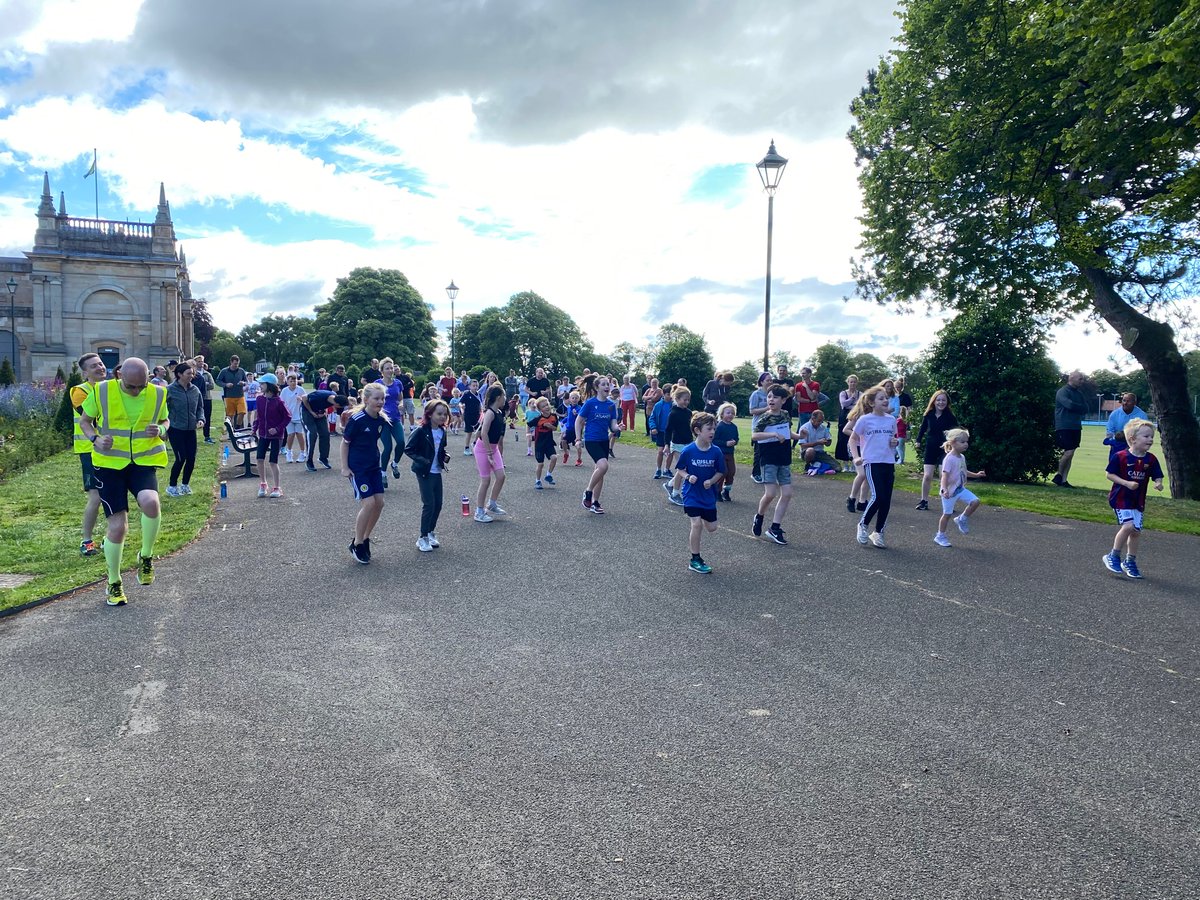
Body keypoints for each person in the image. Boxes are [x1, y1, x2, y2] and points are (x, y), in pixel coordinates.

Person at [78, 358, 169, 606]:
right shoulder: (103, 390)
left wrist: (160, 431)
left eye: (142, 385)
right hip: (109, 465)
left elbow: (164, 420)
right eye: (131, 386)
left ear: (149, 377)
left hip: (141, 460)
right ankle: (114, 582)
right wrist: (95, 439)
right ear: (120, 376)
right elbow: (85, 421)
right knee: (118, 528)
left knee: (151, 502)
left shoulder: (158, 393)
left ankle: (146, 556)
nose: (137, 390)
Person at [1102, 418, 1164, 579]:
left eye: (1151, 436)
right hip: (1121, 499)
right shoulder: (1120, 456)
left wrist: (1158, 483)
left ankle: (1130, 561)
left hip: (1137, 501)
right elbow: (1109, 474)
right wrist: (1126, 483)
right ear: (1132, 439)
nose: (1150, 439)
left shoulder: (1150, 459)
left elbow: (1157, 475)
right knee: (1128, 526)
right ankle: (1113, 555)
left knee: (1136, 532)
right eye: (1146, 436)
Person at [671, 412, 726, 574]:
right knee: (696, 524)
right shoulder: (688, 450)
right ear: (697, 430)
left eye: (714, 429)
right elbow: (680, 469)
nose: (712, 432)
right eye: (709, 429)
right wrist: (688, 476)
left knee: (712, 527)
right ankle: (695, 559)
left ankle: (702, 518)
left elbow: (720, 471)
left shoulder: (716, 452)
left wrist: (712, 481)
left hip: (708, 496)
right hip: (691, 494)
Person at [749, 384, 803, 545]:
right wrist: (772, 433)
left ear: (784, 400)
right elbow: (754, 436)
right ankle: (759, 516)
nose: (771, 400)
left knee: (787, 494)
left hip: (784, 458)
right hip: (769, 458)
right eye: (769, 396)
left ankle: (775, 528)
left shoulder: (786, 415)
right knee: (771, 493)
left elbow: (788, 433)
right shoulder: (765, 417)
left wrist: (800, 435)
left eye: (775, 397)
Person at [341, 383, 388, 564]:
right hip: (358, 468)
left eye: (382, 398)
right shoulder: (357, 419)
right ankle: (357, 543)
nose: (380, 402)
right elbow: (345, 443)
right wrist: (345, 467)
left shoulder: (381, 420)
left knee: (380, 503)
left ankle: (366, 538)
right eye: (376, 398)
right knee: (368, 503)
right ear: (366, 399)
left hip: (373, 467)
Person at [70, 352, 108, 556]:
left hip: (111, 449)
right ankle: (86, 540)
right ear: (85, 372)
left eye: (101, 364)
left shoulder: (110, 389)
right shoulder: (79, 391)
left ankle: (109, 537)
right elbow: (92, 419)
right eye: (94, 366)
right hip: (89, 449)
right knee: (96, 497)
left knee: (112, 494)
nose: (100, 368)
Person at [852, 386, 899, 548]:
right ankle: (863, 524)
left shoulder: (891, 420)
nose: (885, 400)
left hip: (888, 461)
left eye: (886, 398)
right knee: (878, 496)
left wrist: (895, 442)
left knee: (886, 500)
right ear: (871, 403)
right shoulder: (864, 420)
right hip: (871, 462)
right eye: (881, 398)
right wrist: (856, 457)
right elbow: (853, 439)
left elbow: (893, 440)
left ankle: (878, 533)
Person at [405, 399, 451, 553]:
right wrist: (424, 461)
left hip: (437, 471)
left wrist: (444, 456)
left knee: (438, 504)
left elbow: (441, 448)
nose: (442, 417)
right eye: (439, 414)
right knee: (429, 504)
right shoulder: (421, 431)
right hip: (424, 471)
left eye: (445, 414)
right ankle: (422, 537)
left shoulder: (442, 431)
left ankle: (431, 532)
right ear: (430, 414)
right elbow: (409, 449)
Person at [934, 429, 985, 548]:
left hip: (960, 489)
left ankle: (962, 519)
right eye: (962, 442)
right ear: (953, 442)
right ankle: (940, 536)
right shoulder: (949, 459)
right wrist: (944, 488)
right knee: (947, 514)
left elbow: (963, 471)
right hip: (949, 492)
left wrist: (976, 475)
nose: (966, 444)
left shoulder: (961, 457)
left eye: (966, 441)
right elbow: (944, 475)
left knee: (975, 501)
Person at [576, 376, 621, 514]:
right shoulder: (590, 403)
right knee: (603, 466)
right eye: (604, 384)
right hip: (591, 440)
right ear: (597, 388)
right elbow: (578, 421)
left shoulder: (611, 405)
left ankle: (595, 502)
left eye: (608, 384)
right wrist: (578, 439)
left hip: (603, 440)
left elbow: (612, 425)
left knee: (600, 471)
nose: (607, 386)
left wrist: (618, 427)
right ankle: (588, 492)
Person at [165, 362, 205, 498]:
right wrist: (164, 427)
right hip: (176, 429)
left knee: (191, 458)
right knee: (180, 458)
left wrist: (201, 419)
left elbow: (200, 407)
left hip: (190, 429)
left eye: (192, 373)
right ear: (179, 374)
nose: (191, 376)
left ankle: (185, 484)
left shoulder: (195, 390)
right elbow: (162, 409)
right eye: (188, 373)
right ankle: (172, 486)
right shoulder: (169, 390)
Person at [914, 390, 958, 510]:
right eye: (938, 400)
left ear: (947, 402)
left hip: (945, 449)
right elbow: (923, 428)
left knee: (943, 477)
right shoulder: (929, 414)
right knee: (927, 476)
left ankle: (947, 502)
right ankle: (924, 501)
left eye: (943, 400)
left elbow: (956, 431)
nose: (941, 402)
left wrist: (954, 442)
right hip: (930, 447)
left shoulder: (950, 416)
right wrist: (918, 440)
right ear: (934, 401)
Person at [472, 384, 509, 522]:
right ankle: (479, 512)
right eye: (504, 396)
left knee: (501, 476)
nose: (505, 399)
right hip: (483, 450)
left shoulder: (499, 412)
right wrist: (488, 453)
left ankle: (492, 504)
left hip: (494, 449)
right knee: (486, 480)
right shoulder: (490, 413)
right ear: (499, 397)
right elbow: (484, 432)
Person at [253, 374, 290, 499]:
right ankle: (263, 484)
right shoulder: (259, 399)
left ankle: (277, 487)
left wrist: (277, 429)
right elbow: (258, 416)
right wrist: (254, 429)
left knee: (273, 461)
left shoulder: (279, 402)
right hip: (263, 434)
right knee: (259, 459)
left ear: (269, 386)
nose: (260, 386)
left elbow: (287, 417)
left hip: (276, 436)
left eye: (262, 384)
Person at [1053, 370, 1090, 487]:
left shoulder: (1079, 394)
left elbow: (1086, 408)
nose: (1082, 381)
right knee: (1068, 452)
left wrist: (1077, 407)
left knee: (1071, 452)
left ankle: (1064, 480)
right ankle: (1059, 475)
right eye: (1080, 379)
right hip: (1064, 425)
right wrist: (1078, 407)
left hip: (1076, 426)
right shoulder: (1062, 392)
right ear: (1072, 378)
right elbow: (1069, 405)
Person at [375, 358, 407, 485]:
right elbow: (372, 398)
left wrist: (401, 404)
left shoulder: (398, 383)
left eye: (391, 368)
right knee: (387, 447)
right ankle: (383, 473)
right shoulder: (377, 383)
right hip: (382, 420)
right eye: (387, 368)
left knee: (401, 442)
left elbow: (401, 398)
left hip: (395, 418)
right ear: (382, 370)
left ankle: (394, 463)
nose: (390, 370)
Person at [299, 387, 346, 471]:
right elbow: (304, 398)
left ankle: (323, 458)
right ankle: (309, 460)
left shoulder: (335, 398)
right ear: (337, 404)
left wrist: (323, 413)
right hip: (306, 411)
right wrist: (311, 412)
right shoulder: (320, 396)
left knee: (325, 433)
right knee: (312, 433)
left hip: (319, 412)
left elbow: (325, 406)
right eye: (340, 407)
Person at [661, 387, 695, 495]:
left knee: (686, 468)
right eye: (684, 400)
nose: (686, 402)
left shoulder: (689, 413)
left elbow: (691, 428)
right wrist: (666, 445)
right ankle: (675, 493)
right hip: (677, 444)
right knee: (682, 468)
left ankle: (670, 485)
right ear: (677, 399)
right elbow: (668, 430)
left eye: (688, 400)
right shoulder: (673, 413)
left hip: (688, 443)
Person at [1104, 393, 1148, 460]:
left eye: (1128, 401)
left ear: (1134, 402)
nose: (1125, 403)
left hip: (1136, 450)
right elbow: (1109, 432)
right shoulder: (1114, 414)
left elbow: (1145, 433)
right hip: (1117, 450)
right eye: (1124, 400)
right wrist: (1116, 443)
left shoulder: (1142, 416)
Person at [532, 397, 560, 489]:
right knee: (540, 464)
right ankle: (537, 481)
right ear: (540, 410)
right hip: (539, 444)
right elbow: (529, 424)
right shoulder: (538, 418)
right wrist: (529, 433)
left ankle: (548, 475)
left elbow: (555, 428)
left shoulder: (554, 416)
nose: (547, 407)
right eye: (543, 406)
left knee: (554, 457)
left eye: (547, 404)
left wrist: (550, 426)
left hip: (549, 442)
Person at [748, 372, 771, 482]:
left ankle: (766, 473)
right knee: (759, 451)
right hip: (758, 426)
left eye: (771, 380)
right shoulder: (756, 394)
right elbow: (752, 411)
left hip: (769, 425)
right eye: (767, 380)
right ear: (761, 382)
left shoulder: (771, 394)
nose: (770, 382)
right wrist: (766, 408)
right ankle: (755, 473)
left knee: (768, 451)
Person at [713, 402, 739, 502]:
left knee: (731, 472)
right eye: (728, 413)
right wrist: (725, 443)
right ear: (722, 414)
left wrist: (734, 442)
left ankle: (726, 490)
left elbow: (737, 438)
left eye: (732, 413)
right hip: (721, 453)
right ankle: (717, 491)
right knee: (723, 472)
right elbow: (714, 440)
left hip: (730, 453)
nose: (730, 415)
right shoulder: (719, 426)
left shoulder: (734, 427)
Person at [279, 372, 307, 464]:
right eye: (291, 381)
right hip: (288, 416)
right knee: (290, 434)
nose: (293, 383)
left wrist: (302, 400)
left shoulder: (301, 390)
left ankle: (302, 452)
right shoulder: (284, 391)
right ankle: (289, 452)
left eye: (295, 381)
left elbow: (306, 400)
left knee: (299, 434)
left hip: (298, 415)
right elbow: (281, 403)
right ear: (288, 382)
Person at [834, 375, 859, 473]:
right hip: (844, 418)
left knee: (854, 439)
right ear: (848, 382)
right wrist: (852, 399)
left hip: (856, 417)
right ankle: (845, 464)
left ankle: (854, 463)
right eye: (851, 382)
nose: (852, 384)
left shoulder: (860, 393)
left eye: (854, 382)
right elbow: (843, 404)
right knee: (843, 439)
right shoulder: (843, 393)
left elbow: (860, 404)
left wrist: (851, 404)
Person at [216, 354, 248, 428]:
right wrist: (225, 384)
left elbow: (246, 382)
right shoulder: (224, 371)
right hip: (229, 396)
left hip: (240, 395)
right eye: (234, 364)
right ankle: (230, 430)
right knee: (230, 415)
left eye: (237, 364)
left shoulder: (241, 371)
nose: (236, 365)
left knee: (242, 412)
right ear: (231, 362)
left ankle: (238, 427)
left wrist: (243, 383)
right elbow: (218, 381)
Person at [649, 387, 673, 478]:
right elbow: (652, 418)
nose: (670, 396)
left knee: (670, 452)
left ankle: (666, 469)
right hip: (661, 431)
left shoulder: (674, 405)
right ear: (664, 394)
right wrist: (653, 427)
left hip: (670, 432)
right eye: (668, 394)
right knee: (660, 452)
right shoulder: (658, 405)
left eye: (671, 394)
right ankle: (658, 469)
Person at [193, 356, 217, 444]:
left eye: (202, 361)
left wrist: (203, 384)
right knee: (194, 417)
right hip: (195, 399)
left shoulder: (207, 374)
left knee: (207, 417)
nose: (201, 363)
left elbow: (212, 385)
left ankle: (207, 436)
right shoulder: (193, 374)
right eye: (199, 361)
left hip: (206, 398)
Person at [461, 378, 482, 456]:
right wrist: (462, 406)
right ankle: (466, 448)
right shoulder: (466, 394)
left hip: (477, 415)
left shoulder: (478, 394)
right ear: (469, 386)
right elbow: (461, 402)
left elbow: (480, 404)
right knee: (469, 432)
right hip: (468, 415)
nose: (475, 387)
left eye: (476, 386)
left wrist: (481, 410)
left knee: (479, 431)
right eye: (473, 385)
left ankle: (475, 443)